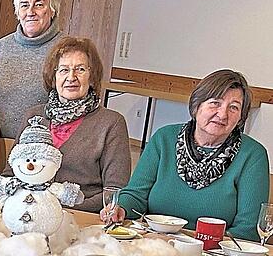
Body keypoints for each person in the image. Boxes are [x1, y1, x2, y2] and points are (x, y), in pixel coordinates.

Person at [111, 70, 269, 240]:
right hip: (155, 244)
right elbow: (136, 196)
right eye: (215, 103)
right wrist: (121, 208)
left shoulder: (252, 155)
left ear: (240, 117)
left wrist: (193, 244)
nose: (223, 114)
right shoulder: (164, 139)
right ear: (196, 106)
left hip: (215, 254)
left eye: (233, 107)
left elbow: (248, 229)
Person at [16, 37, 129, 212]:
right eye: (63, 70)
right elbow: (11, 172)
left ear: (92, 77)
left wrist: (61, 209)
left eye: (80, 69)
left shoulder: (111, 123)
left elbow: (115, 191)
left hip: (79, 215)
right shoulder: (33, 116)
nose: (71, 77)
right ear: (53, 77)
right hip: (27, 211)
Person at [0, 0, 65, 138]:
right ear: (17, 12)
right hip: (1, 146)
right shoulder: (1, 48)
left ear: (52, 10)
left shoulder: (66, 50)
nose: (30, 12)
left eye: (39, 5)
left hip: (45, 150)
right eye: (24, 5)